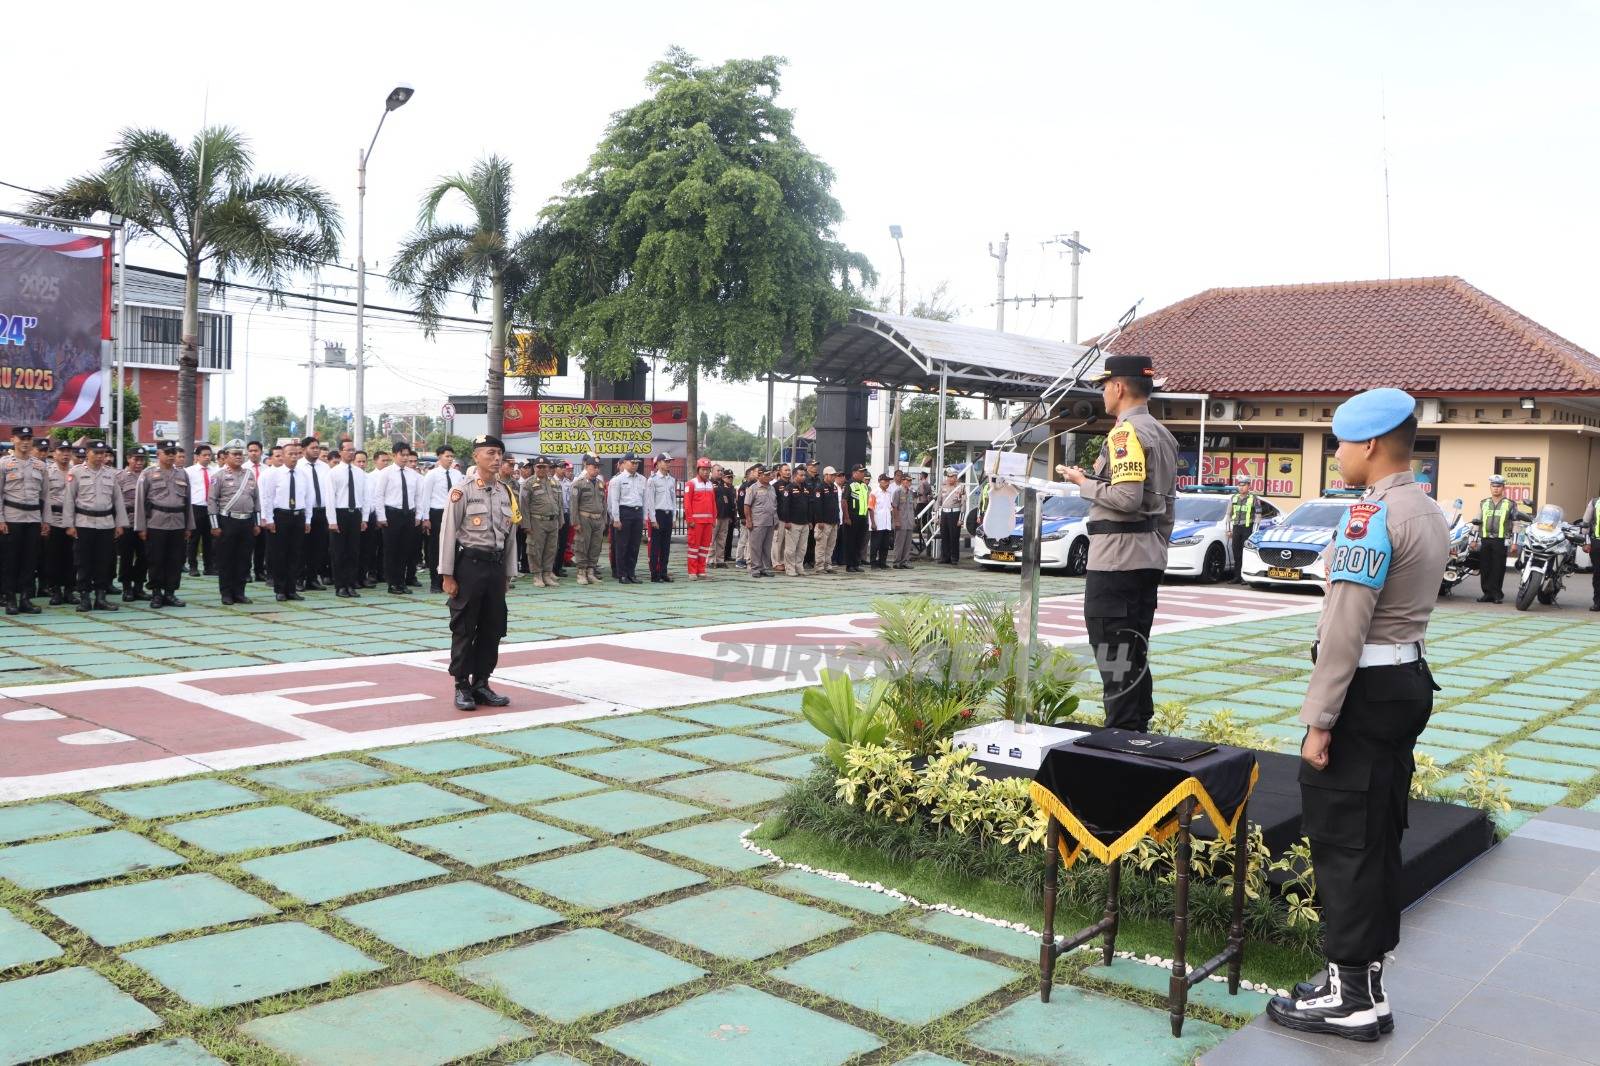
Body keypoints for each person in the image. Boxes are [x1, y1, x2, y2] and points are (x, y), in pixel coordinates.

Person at [1265, 388, 1448, 1043]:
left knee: (1343, 838)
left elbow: (1345, 627)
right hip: (1406, 680)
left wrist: (1320, 719)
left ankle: (1351, 1000)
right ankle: (1360, 981)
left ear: (1369, 446)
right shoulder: (1426, 508)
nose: (1337, 454)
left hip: (1365, 691)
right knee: (1375, 833)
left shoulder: (1369, 517)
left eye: (1341, 442)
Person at [1057, 352, 1178, 732]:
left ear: (1119, 386)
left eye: (1104, 386)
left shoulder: (1125, 434)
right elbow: (1168, 507)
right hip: (1145, 558)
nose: (1103, 394)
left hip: (1116, 562)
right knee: (1134, 653)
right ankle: (1138, 734)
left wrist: (1082, 483)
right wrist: (1157, 546)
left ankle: (1122, 744)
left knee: (1116, 657)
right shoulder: (1163, 434)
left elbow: (1126, 499)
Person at [439, 434, 518, 712]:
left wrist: (509, 572)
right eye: (490, 453)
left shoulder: (504, 492)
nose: (496, 459)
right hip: (469, 566)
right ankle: (461, 685)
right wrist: (447, 575)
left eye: (499, 454)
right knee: (464, 626)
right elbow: (448, 532)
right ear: (476, 457)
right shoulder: (462, 491)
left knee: (493, 627)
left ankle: (481, 682)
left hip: (495, 568)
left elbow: (510, 536)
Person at [63, 440, 126, 611]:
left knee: (103, 561)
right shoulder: (75, 472)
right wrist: (69, 524)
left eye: (103, 454)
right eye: (96, 453)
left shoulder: (111, 474)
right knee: (83, 562)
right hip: (84, 523)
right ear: (87, 453)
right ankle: (84, 597)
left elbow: (118, 500)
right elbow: (69, 499)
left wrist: (120, 523)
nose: (100, 457)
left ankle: (101, 597)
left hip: (106, 524)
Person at [134, 440, 194, 609]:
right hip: (156, 522)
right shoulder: (148, 473)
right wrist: (141, 527)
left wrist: (189, 526)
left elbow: (187, 502)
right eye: (167, 453)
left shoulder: (182, 474)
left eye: (173, 453)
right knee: (156, 560)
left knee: (175, 560)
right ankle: (156, 593)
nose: (170, 456)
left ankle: (170, 593)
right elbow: (140, 501)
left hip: (177, 523)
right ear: (158, 454)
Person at [206, 442, 260, 605]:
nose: (238, 457)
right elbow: (212, 501)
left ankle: (240, 592)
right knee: (226, 559)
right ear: (226, 456)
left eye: (240, 454)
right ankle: (226, 593)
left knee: (244, 559)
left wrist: (256, 523)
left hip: (247, 521)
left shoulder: (249, 474)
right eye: (234, 454)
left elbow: (256, 499)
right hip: (228, 521)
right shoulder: (219, 476)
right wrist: (215, 525)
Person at [259, 441, 312, 602]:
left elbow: (308, 498)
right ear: (282, 455)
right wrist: (268, 519)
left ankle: (292, 589)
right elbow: (267, 498)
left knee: (295, 554)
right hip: (280, 517)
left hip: (298, 517)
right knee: (279, 554)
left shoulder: (303, 474)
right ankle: (280, 589)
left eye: (296, 454)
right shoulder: (273, 474)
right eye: (290, 454)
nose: (294, 457)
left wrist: (308, 519)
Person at [1471, 473, 1530, 603]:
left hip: (1501, 540)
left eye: (1498, 486)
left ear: (1503, 488)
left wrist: (1514, 543)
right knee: (1485, 567)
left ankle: (1497, 594)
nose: (1496, 489)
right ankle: (1487, 593)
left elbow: (1515, 524)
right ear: (1490, 487)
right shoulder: (1484, 503)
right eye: (1493, 486)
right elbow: (1477, 522)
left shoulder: (1510, 504)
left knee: (1498, 567)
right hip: (1485, 539)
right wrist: (1474, 540)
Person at [376, 445, 425, 594]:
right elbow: (379, 496)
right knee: (391, 551)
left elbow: (418, 497)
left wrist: (418, 516)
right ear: (394, 455)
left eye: (407, 455)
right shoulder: (386, 473)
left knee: (405, 550)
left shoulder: (414, 475)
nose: (405, 458)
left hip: (408, 515)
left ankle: (401, 582)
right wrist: (382, 517)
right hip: (392, 514)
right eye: (402, 455)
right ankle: (392, 583)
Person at [329, 439, 369, 598]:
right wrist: (332, 520)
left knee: (353, 551)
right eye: (348, 450)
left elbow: (365, 496)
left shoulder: (360, 473)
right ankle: (340, 586)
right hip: (340, 513)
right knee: (339, 552)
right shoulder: (334, 472)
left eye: (353, 449)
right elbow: (330, 498)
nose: (351, 452)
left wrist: (364, 518)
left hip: (355, 514)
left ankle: (351, 584)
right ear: (340, 452)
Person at [421, 445, 460, 593]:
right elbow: (425, 497)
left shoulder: (457, 474)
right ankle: (435, 583)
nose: (450, 459)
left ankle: (451, 581)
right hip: (436, 514)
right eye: (447, 456)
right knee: (435, 549)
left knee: (454, 548)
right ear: (439, 457)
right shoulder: (432, 475)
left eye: (451, 456)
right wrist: (425, 518)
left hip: (454, 513)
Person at [521, 455, 563, 587]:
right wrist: (526, 524)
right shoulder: (528, 484)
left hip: (553, 521)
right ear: (534, 468)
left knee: (551, 549)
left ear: (548, 468)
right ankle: (537, 575)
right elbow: (524, 506)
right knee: (535, 549)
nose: (541, 469)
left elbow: (560, 503)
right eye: (538, 467)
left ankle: (547, 574)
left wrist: (560, 519)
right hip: (537, 521)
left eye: (544, 467)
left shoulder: (554, 483)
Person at [44, 440, 77, 605]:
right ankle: (55, 590)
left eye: (68, 451)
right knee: (54, 558)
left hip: (73, 521)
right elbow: (42, 498)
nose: (65, 454)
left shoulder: (76, 471)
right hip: (54, 520)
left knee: (72, 558)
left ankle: (70, 590)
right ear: (53, 453)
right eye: (61, 450)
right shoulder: (47, 472)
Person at [116, 446, 151, 602]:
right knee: (126, 557)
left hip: (145, 522)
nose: (139, 462)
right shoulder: (120, 477)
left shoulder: (148, 476)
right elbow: (115, 502)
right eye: (136, 459)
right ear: (128, 458)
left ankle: (139, 586)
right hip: (127, 522)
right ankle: (126, 587)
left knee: (145, 556)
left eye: (141, 459)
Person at [608, 452, 647, 584]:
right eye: (632, 462)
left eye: (637, 463)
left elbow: (645, 500)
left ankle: (631, 573)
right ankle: (622, 574)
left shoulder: (642, 479)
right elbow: (614, 500)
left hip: (637, 512)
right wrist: (616, 518)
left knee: (634, 545)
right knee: (622, 545)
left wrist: (644, 517)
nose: (635, 465)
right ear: (624, 463)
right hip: (624, 512)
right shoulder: (617, 480)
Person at [299, 438, 333, 591]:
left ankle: (312, 578)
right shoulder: (298, 467)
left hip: (321, 512)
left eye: (318, 448)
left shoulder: (325, 467)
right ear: (304, 449)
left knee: (319, 548)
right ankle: (299, 579)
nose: (316, 450)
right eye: (313, 447)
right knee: (301, 547)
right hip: (305, 511)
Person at [571, 454, 607, 585]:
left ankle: (591, 572)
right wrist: (575, 522)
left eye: (598, 467)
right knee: (582, 546)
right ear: (587, 467)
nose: (597, 469)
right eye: (594, 467)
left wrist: (604, 521)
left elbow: (604, 503)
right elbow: (574, 504)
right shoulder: (578, 484)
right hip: (584, 518)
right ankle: (581, 572)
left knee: (595, 547)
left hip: (598, 520)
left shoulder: (600, 484)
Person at [683, 457, 718, 579]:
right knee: (694, 548)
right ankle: (692, 571)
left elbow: (713, 503)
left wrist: (714, 519)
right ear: (698, 470)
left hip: (708, 522)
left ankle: (701, 570)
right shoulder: (691, 483)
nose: (706, 472)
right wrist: (690, 519)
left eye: (708, 470)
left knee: (704, 548)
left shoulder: (710, 484)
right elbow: (687, 503)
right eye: (703, 469)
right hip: (696, 522)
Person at [184, 445, 216, 577]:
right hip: (195, 507)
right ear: (197, 457)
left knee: (210, 539)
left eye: (209, 455)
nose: (208, 457)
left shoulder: (215, 471)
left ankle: (209, 567)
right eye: (204, 455)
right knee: (194, 539)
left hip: (211, 507)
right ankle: (192, 566)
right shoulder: (189, 471)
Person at [645, 453, 677, 582]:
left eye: (669, 461)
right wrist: (653, 519)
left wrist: (674, 517)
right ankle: (655, 574)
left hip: (668, 514)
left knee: (666, 546)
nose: (668, 463)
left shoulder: (671, 480)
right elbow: (650, 501)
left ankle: (664, 572)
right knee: (655, 546)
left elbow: (673, 499)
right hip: (658, 514)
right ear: (657, 464)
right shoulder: (652, 480)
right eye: (665, 461)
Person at [1228, 471, 1263, 582]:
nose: (1241, 487)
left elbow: (1258, 515)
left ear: (1249, 486)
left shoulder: (1254, 498)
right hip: (1236, 528)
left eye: (1244, 485)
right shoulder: (1234, 497)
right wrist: (1228, 530)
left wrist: (1255, 531)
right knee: (1236, 553)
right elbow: (1228, 515)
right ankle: (1237, 576)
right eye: (1240, 485)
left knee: (1246, 553)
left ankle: (1245, 577)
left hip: (1248, 529)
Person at [743, 464, 777, 578]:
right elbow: (747, 505)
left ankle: (765, 568)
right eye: (766, 475)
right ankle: (755, 569)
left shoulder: (772, 488)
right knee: (756, 547)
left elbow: (774, 505)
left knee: (767, 547)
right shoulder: (753, 488)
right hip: (757, 522)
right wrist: (748, 520)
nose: (769, 476)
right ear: (760, 475)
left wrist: (775, 520)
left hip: (770, 521)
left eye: (770, 474)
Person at [244, 441, 269, 582]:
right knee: (247, 544)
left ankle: (260, 571)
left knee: (262, 544)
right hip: (248, 509)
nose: (253, 453)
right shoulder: (242, 469)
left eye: (256, 450)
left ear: (261, 451)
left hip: (263, 510)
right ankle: (245, 572)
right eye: (251, 450)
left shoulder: (268, 469)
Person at [811, 466, 842, 574]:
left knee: (830, 546)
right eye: (832, 475)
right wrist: (819, 521)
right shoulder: (819, 488)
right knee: (821, 545)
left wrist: (838, 520)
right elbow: (817, 506)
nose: (834, 477)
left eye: (834, 475)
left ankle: (828, 565)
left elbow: (836, 505)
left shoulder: (834, 487)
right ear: (826, 475)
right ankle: (819, 566)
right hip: (824, 522)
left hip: (833, 521)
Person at [783, 466, 812, 577]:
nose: (803, 477)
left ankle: (799, 567)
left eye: (804, 475)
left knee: (802, 548)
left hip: (804, 522)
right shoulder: (789, 488)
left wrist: (809, 520)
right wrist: (787, 521)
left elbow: (809, 505)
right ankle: (790, 568)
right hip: (793, 522)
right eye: (801, 475)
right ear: (795, 476)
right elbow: (786, 506)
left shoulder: (806, 488)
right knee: (791, 548)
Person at [937, 469, 966, 564]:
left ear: (956, 478)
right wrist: (937, 516)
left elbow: (963, 504)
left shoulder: (961, 488)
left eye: (952, 477)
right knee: (944, 536)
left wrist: (961, 519)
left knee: (954, 536)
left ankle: (954, 558)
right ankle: (945, 557)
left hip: (955, 513)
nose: (949, 479)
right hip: (944, 513)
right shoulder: (943, 487)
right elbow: (938, 502)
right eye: (948, 477)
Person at [868, 473, 894, 569]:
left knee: (885, 545)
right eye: (885, 481)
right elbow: (870, 508)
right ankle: (873, 563)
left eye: (889, 481)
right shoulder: (874, 493)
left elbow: (889, 508)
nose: (888, 483)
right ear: (880, 481)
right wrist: (873, 523)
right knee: (875, 544)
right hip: (878, 522)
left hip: (886, 523)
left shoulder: (888, 493)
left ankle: (882, 562)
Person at [848, 465, 871, 572]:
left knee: (859, 542)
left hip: (863, 517)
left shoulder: (864, 486)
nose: (863, 474)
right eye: (860, 472)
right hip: (853, 516)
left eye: (863, 472)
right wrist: (847, 517)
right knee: (851, 541)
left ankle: (856, 563)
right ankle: (850, 565)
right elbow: (844, 501)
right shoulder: (849, 484)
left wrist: (866, 518)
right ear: (854, 473)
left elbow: (866, 502)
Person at [892, 470, 916, 569]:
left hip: (909, 521)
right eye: (907, 480)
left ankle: (905, 561)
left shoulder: (910, 492)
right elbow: (895, 507)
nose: (909, 482)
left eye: (910, 481)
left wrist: (913, 520)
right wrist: (896, 521)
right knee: (899, 543)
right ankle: (897, 561)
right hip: (901, 521)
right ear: (902, 481)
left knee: (907, 543)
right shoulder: (897, 491)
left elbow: (912, 508)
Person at [553, 459, 573, 578]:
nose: (563, 469)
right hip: (555, 515)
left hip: (565, 514)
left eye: (564, 467)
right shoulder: (551, 481)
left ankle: (559, 567)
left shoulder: (567, 482)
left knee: (563, 542)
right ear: (555, 468)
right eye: (561, 467)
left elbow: (570, 500)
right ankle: (552, 568)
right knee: (554, 543)